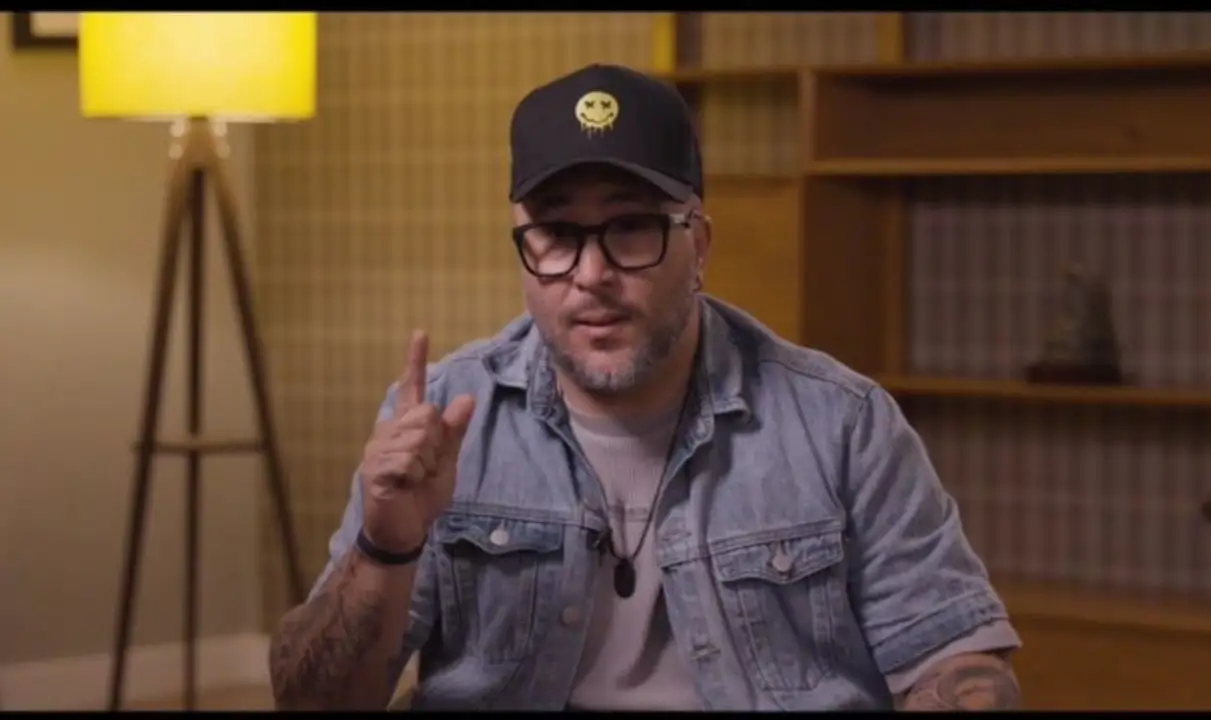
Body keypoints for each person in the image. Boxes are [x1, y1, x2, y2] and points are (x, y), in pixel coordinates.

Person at [266, 63, 1022, 712]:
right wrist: (386, 546)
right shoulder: (442, 420)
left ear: (700, 245)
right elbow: (311, 700)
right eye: (558, 235)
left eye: (632, 227)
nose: (592, 275)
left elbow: (956, 661)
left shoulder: (841, 423)